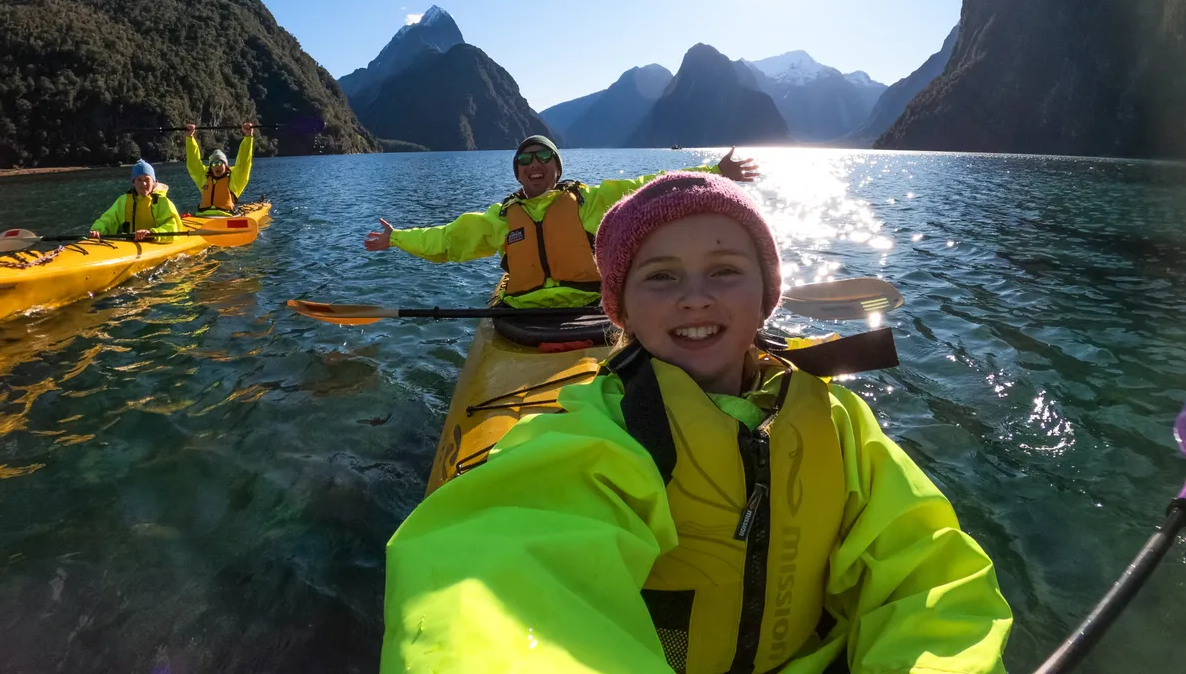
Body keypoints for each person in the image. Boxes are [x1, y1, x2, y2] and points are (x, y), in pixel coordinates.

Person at [381, 172, 1012, 674]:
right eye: (660, 277)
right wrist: (403, 239)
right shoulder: (599, 436)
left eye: (725, 272)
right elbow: (489, 583)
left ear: (767, 296)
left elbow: (927, 576)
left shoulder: (839, 420)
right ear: (620, 309)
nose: (695, 297)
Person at [363, 135, 759, 308]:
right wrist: (397, 239)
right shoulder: (501, 219)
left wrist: (714, 171)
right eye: (524, 160)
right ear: (517, 174)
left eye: (543, 158)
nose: (534, 165)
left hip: (586, 308)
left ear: (556, 167)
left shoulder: (587, 201)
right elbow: (448, 240)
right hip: (521, 315)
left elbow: (650, 188)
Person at [88, 160, 185, 242]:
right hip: (129, 243)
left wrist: (152, 233)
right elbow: (109, 219)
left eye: (147, 179)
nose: (143, 183)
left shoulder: (162, 202)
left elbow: (173, 226)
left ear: (154, 182)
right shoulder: (124, 200)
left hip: (153, 242)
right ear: (133, 182)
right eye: (139, 180)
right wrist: (98, 230)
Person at [185, 122, 254, 215]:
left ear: (225, 165)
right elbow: (193, 163)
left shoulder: (235, 179)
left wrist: (248, 136)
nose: (217, 166)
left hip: (226, 216)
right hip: (203, 216)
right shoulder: (204, 178)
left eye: (220, 163)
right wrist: (189, 138)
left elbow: (244, 161)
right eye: (213, 164)